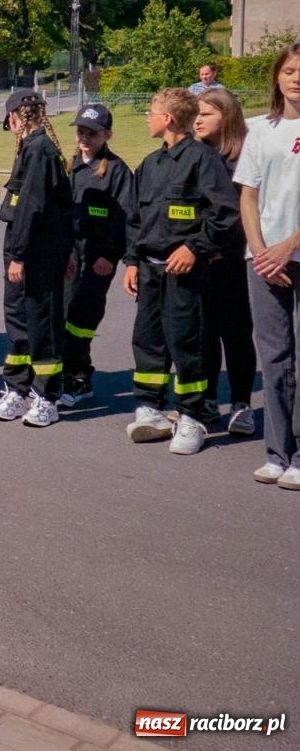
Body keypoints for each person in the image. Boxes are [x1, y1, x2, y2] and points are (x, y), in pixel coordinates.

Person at [122, 88, 240, 455]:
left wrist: (194, 247)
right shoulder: (150, 164)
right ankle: (151, 409)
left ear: (168, 118)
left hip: (188, 273)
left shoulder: (203, 160)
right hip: (150, 271)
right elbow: (135, 220)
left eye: (151, 111)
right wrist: (131, 261)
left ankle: (193, 417)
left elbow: (225, 214)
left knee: (188, 344)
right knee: (148, 341)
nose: (147, 116)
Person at [235, 40, 300, 487]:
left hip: (292, 251)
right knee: (275, 356)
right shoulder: (260, 129)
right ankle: (278, 452)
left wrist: (288, 245)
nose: (297, 77)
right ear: (277, 77)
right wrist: (262, 252)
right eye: (290, 69)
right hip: (263, 260)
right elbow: (249, 195)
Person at [0, 89, 74, 429]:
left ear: (13, 118)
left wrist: (19, 256)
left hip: (36, 254)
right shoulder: (32, 149)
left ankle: (46, 397)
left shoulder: (40, 150)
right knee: (19, 324)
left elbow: (32, 208)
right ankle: (17, 387)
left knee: (43, 326)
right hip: (23, 250)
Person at [60, 104, 135, 409]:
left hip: (98, 258)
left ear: (107, 135)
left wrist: (110, 255)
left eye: (92, 133)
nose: (85, 138)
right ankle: (67, 374)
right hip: (69, 256)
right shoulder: (69, 166)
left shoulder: (117, 171)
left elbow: (125, 219)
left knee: (83, 319)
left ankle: (80, 378)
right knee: (64, 316)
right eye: (81, 131)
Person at [193, 88, 257, 436]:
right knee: (202, 336)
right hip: (200, 260)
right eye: (196, 114)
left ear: (227, 117)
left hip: (235, 260)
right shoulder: (194, 156)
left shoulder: (243, 157)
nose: (198, 119)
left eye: (206, 113)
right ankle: (204, 404)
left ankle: (241, 403)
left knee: (235, 335)